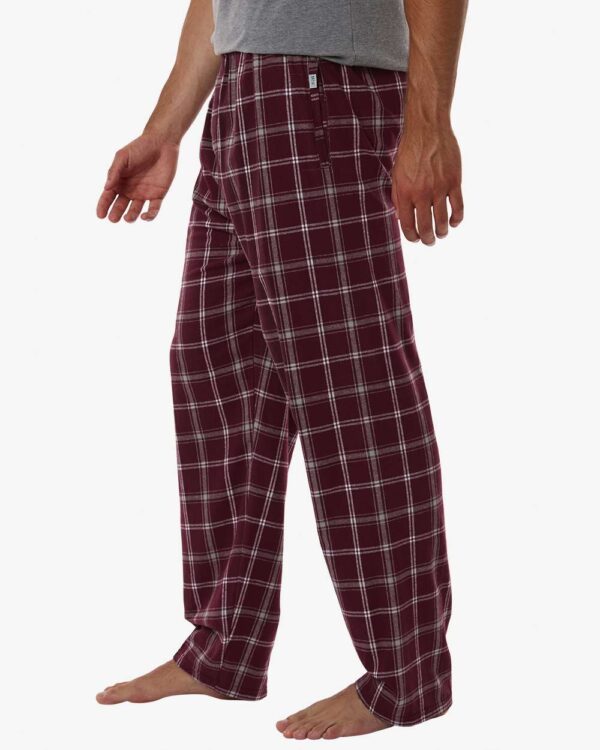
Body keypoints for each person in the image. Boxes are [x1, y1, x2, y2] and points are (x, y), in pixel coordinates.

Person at [95, 0, 467, 740]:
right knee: (219, 376)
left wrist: (429, 123)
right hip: (242, 102)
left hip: (323, 96)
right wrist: (165, 129)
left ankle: (409, 675)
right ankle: (224, 646)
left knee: (353, 390)